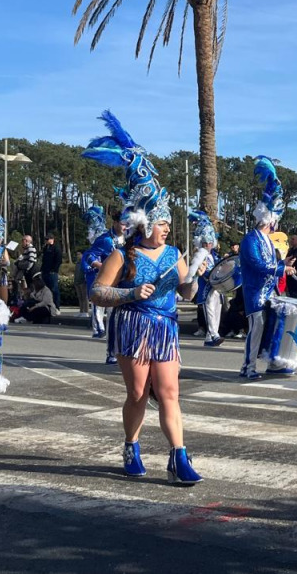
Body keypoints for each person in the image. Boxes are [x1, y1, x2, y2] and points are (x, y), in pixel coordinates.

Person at [84, 110, 201, 486]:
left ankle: (178, 456)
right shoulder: (124, 254)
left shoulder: (175, 254)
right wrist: (132, 293)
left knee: (169, 391)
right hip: (132, 325)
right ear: (144, 222)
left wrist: (196, 279)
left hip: (165, 326)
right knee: (137, 392)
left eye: (168, 223)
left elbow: (187, 292)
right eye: (161, 222)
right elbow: (97, 292)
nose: (166, 228)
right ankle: (131, 445)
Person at [238, 157, 293, 379]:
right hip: (255, 294)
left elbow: (268, 264)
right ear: (271, 219)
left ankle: (273, 363)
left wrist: (283, 265)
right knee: (257, 329)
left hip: (269, 293)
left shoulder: (268, 240)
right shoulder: (251, 239)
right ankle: (248, 367)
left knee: (272, 328)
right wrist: (281, 269)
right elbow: (258, 265)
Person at [80, 206, 122, 362]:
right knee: (111, 318)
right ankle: (111, 353)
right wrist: (101, 266)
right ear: (116, 222)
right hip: (109, 283)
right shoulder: (105, 239)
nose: (126, 227)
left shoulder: (132, 238)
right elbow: (89, 255)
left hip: (126, 284)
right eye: (123, 223)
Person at [186, 209, 223, 347]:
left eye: (209, 242)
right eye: (205, 242)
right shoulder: (200, 254)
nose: (208, 245)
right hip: (207, 286)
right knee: (210, 311)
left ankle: (211, 336)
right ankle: (213, 334)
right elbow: (199, 270)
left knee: (217, 309)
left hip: (216, 286)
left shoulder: (214, 255)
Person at [41, 234, 62, 309]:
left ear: (52, 239)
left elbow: (58, 260)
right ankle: (48, 306)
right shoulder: (45, 248)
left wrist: (54, 270)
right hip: (45, 271)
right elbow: (43, 260)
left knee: (54, 289)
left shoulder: (56, 248)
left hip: (52, 272)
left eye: (47, 239)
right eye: (45, 239)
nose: (46, 241)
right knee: (46, 290)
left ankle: (56, 306)